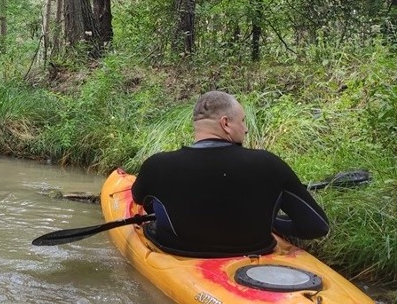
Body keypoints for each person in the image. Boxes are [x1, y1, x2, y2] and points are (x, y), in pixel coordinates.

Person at [130, 90, 329, 258]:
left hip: (179, 253)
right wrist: (273, 223)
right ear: (225, 124)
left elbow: (139, 200)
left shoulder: (158, 165)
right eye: (242, 121)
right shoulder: (269, 163)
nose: (246, 129)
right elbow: (317, 226)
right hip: (256, 253)